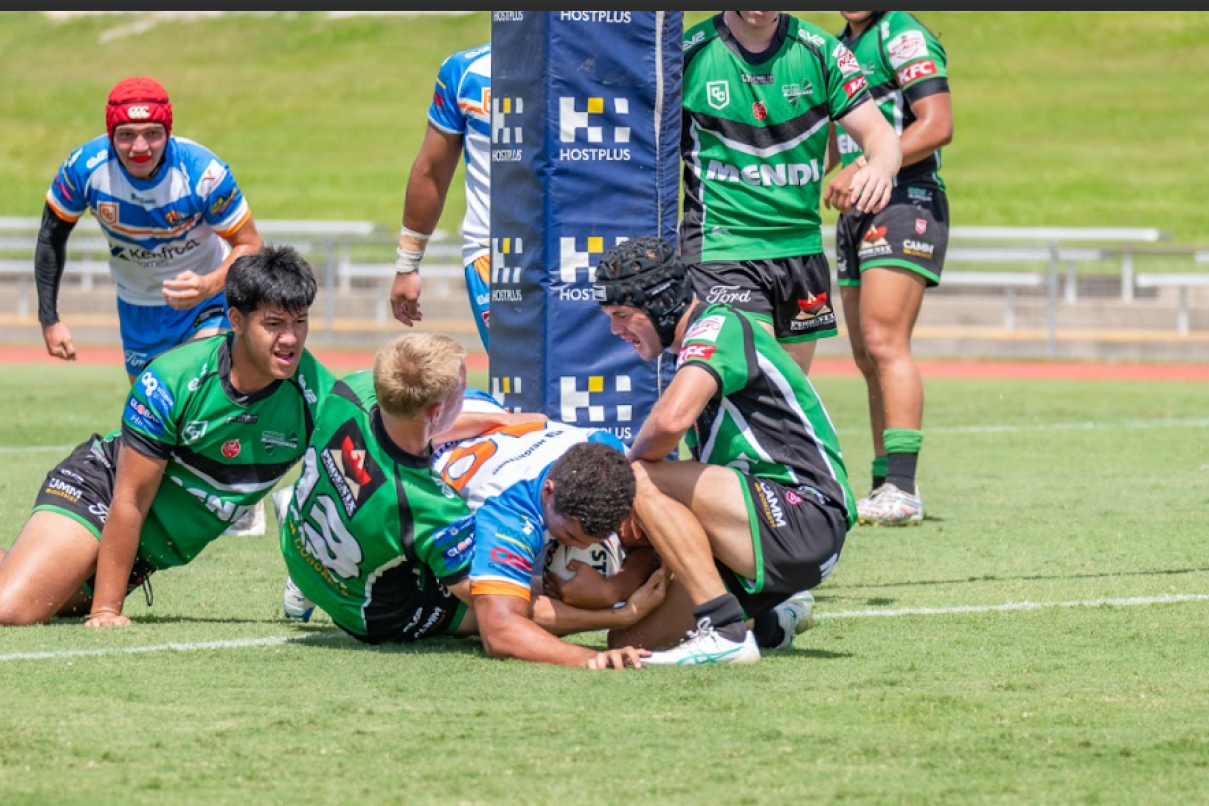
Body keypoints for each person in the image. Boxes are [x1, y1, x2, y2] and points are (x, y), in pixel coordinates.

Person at [279, 334, 661, 669]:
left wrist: (501, 422)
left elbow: (420, 427)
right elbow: (499, 623)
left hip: (299, 542)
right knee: (518, 590)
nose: (468, 398)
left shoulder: (353, 391)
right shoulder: (430, 507)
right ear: (435, 411)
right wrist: (622, 614)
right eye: (462, 393)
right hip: (362, 608)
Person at [0, 244, 332, 627]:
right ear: (237, 321)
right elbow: (130, 498)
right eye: (273, 324)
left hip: (142, 552)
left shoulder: (315, 393)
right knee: (12, 609)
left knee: (36, 595)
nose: (290, 339)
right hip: (102, 491)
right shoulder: (174, 379)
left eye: (299, 323)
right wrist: (107, 611)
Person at [594, 236, 854, 665]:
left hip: (806, 516)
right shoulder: (692, 347)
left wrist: (625, 477)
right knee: (634, 638)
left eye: (622, 315)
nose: (615, 330)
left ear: (660, 303)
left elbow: (670, 422)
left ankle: (727, 633)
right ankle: (772, 619)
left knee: (635, 475)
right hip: (768, 531)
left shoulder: (719, 325)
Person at [680, 11, 901, 377]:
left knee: (787, 392)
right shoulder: (691, 54)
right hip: (721, 248)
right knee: (749, 375)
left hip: (799, 253)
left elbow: (880, 134)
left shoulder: (823, 53)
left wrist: (879, 167)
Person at [37, 75, 263, 382]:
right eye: (126, 134)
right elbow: (51, 237)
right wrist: (49, 320)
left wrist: (208, 285)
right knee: (152, 416)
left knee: (204, 392)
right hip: (138, 306)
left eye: (153, 134)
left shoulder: (203, 172)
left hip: (207, 300)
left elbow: (250, 245)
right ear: (110, 134)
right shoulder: (84, 168)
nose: (140, 148)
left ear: (168, 133)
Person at [824, 11, 953, 526]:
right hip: (857, 209)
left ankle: (903, 487)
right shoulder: (834, 46)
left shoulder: (902, 35)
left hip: (905, 200)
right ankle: (882, 484)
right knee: (864, 352)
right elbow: (834, 137)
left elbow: (937, 124)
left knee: (884, 340)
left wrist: (863, 165)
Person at [431, 408, 665, 667]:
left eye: (596, 540)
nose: (580, 547)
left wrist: (615, 588)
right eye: (570, 535)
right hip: (454, 422)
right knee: (463, 603)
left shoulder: (610, 458)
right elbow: (499, 631)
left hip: (485, 428)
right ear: (548, 491)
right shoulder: (509, 514)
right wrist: (608, 630)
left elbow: (652, 548)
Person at [390, 43, 492, 349]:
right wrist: (407, 263)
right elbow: (431, 171)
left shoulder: (607, 58)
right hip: (494, 258)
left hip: (582, 252)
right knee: (519, 380)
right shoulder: (466, 71)